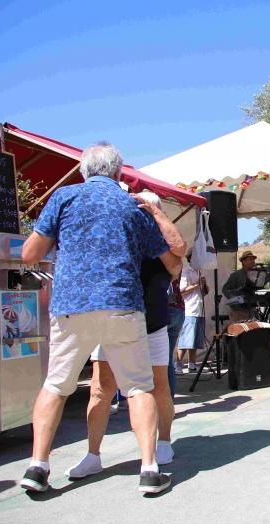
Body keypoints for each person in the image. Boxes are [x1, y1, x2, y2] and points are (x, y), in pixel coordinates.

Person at [20, 142, 178, 493]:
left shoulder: (64, 197)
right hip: (122, 303)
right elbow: (170, 259)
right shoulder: (133, 205)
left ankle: (37, 466)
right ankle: (150, 470)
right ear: (119, 173)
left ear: (83, 170)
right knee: (138, 387)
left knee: (56, 385)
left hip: (71, 305)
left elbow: (31, 253)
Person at [66, 191, 186, 478]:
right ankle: (92, 454)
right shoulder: (118, 238)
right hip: (113, 323)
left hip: (152, 323)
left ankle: (164, 440)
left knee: (158, 387)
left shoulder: (161, 245)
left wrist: (157, 214)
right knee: (100, 388)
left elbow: (179, 253)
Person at [178, 252, 208, 373]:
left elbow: (201, 293)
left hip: (199, 309)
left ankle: (192, 364)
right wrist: (197, 284)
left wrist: (205, 288)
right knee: (187, 337)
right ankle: (178, 363)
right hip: (190, 309)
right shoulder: (186, 272)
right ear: (191, 258)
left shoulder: (198, 272)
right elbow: (182, 291)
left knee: (195, 339)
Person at [223, 250, 258, 323]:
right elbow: (225, 289)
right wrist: (232, 296)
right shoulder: (236, 275)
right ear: (244, 262)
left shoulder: (254, 275)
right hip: (238, 311)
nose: (253, 261)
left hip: (250, 311)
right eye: (250, 259)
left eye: (253, 259)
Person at [168, 276, 187, 378]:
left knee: (160, 358)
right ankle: (169, 392)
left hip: (168, 308)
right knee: (167, 357)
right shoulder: (178, 267)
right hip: (179, 309)